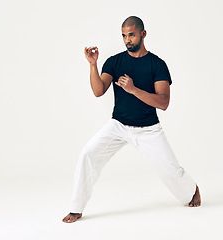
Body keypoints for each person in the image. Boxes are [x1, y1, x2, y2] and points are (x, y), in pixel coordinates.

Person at [62, 16, 201, 223]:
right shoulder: (114, 62)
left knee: (171, 172)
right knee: (88, 153)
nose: (127, 40)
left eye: (132, 35)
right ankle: (76, 208)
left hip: (149, 128)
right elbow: (98, 91)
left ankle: (192, 191)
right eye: (124, 36)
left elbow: (163, 102)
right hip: (118, 125)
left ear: (143, 34)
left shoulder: (157, 64)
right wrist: (93, 64)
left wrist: (133, 90)